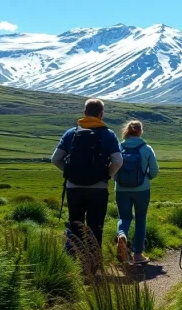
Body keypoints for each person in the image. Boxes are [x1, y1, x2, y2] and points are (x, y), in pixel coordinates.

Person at [51, 99, 122, 258]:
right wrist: (106, 176)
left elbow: (55, 159)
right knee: (95, 226)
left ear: (85, 113)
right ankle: (93, 263)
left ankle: (72, 261)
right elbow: (118, 161)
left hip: (73, 187)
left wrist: (69, 172)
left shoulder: (71, 133)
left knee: (75, 224)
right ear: (101, 114)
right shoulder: (108, 134)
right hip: (98, 188)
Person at [115, 120, 159, 265]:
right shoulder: (146, 148)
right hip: (142, 189)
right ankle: (137, 255)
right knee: (141, 220)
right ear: (140, 131)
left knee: (124, 217)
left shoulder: (119, 146)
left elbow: (113, 166)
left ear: (127, 131)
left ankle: (122, 235)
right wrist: (147, 178)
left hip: (121, 189)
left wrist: (118, 179)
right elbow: (154, 171)